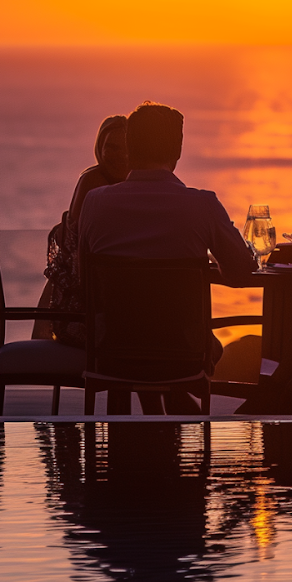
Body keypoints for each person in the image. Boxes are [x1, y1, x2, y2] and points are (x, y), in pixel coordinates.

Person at [78, 101, 258, 412]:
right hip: (182, 357)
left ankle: (149, 438)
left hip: (112, 354)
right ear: (177, 153)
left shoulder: (95, 203)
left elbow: (85, 279)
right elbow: (241, 273)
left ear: (131, 150)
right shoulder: (202, 205)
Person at [38, 114, 129, 340]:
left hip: (95, 301)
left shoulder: (119, 187)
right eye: (112, 147)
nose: (120, 156)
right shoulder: (94, 184)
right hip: (81, 312)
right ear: (100, 148)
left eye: (127, 149)